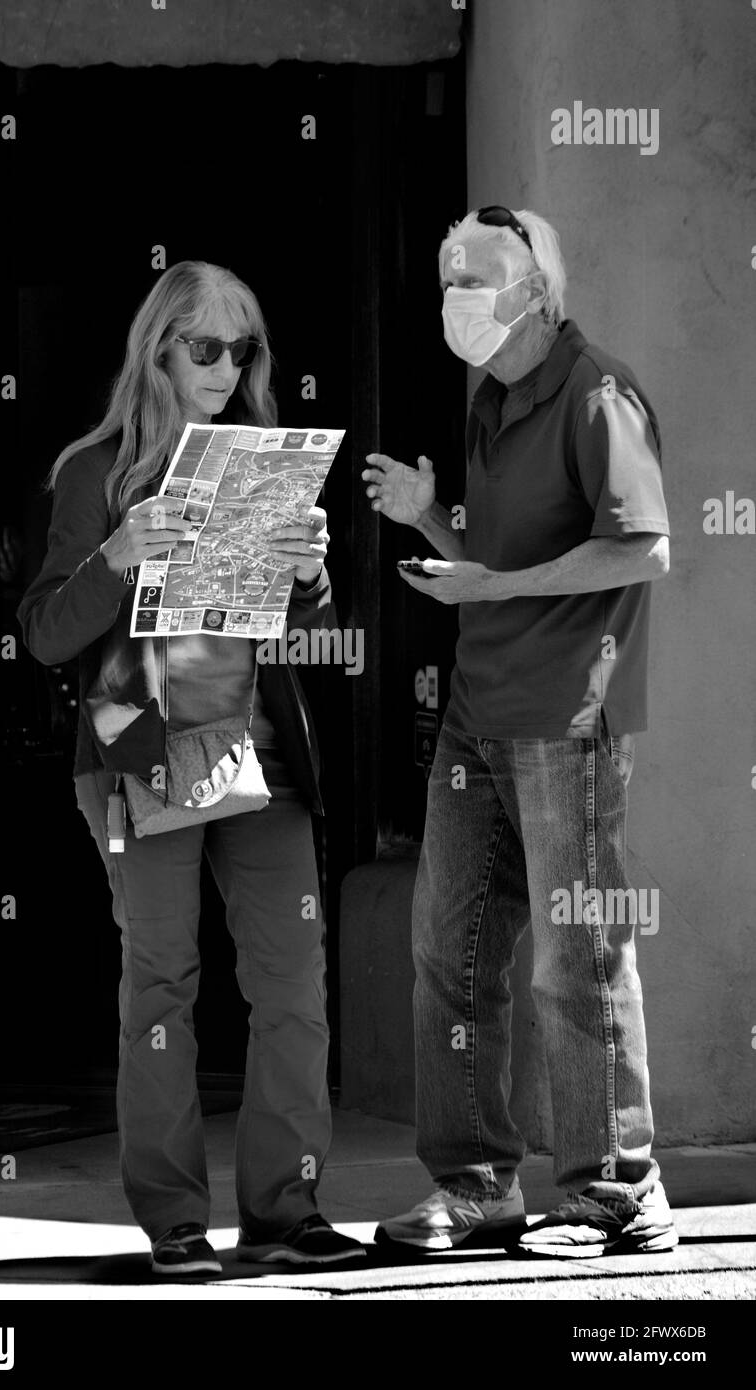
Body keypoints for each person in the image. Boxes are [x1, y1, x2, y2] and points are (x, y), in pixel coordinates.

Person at [18, 260, 365, 1276]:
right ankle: (174, 1219)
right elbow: (42, 633)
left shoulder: (257, 459)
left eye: (242, 347)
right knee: (160, 984)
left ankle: (285, 1211)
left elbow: (301, 626)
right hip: (141, 747)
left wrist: (310, 574)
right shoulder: (96, 470)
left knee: (294, 985)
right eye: (204, 346)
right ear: (158, 350)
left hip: (260, 754)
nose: (225, 365)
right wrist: (115, 555)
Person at [363, 206, 676, 1258]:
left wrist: (488, 581)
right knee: (447, 955)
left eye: (477, 281)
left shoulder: (596, 393)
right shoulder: (491, 397)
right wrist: (426, 517)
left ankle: (616, 1192)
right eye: (448, 279)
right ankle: (477, 1186)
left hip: (565, 720)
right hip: (475, 714)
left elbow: (641, 548)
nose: (455, 299)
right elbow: (481, 575)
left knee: (574, 959)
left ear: (536, 295)